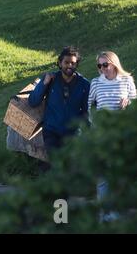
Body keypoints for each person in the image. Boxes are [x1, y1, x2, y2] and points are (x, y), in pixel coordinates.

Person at [88, 51, 136, 221]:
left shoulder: (127, 81)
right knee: (102, 176)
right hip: (101, 133)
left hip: (121, 133)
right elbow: (90, 106)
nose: (102, 69)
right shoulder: (95, 83)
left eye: (105, 65)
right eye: (99, 66)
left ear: (114, 64)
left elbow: (134, 105)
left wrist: (128, 104)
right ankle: (105, 213)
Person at [28, 46, 90, 158]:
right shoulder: (50, 79)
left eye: (73, 63)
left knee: (73, 163)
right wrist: (44, 84)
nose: (70, 66)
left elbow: (87, 111)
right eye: (66, 62)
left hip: (74, 133)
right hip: (51, 132)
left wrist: (82, 128)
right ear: (60, 63)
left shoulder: (85, 85)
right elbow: (33, 101)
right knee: (55, 162)